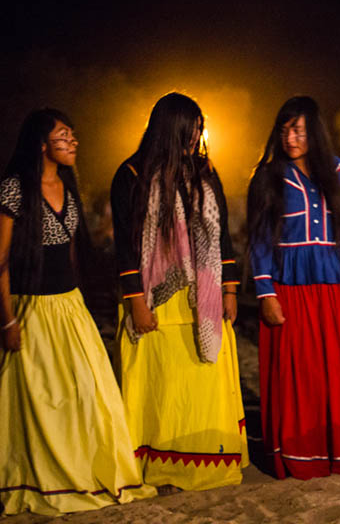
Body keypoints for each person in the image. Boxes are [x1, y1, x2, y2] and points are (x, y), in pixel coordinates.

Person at [0, 109, 154, 515]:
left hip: (69, 305)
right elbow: (0, 260)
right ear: (41, 144)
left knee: (93, 394)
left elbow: (70, 254)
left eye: (73, 135)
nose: (73, 142)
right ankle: (49, 483)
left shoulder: (68, 187)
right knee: (45, 404)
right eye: (64, 136)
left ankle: (90, 473)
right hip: (30, 308)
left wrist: (82, 299)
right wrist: (8, 319)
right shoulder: (14, 190)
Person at [111, 93, 247, 491]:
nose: (196, 136)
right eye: (190, 129)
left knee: (201, 385)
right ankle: (162, 467)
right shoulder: (131, 174)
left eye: (200, 128)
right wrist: (136, 301)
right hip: (155, 300)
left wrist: (229, 289)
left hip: (202, 298)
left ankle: (207, 466)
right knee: (163, 387)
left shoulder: (204, 171)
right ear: (170, 129)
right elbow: (125, 244)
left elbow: (221, 235)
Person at [248, 96, 340, 480]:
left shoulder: (336, 170)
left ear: (315, 132)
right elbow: (258, 239)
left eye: (299, 130)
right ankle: (302, 452)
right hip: (290, 285)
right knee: (300, 373)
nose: (291, 138)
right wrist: (265, 292)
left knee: (338, 368)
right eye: (285, 130)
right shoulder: (267, 176)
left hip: (335, 282)